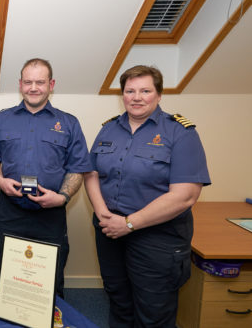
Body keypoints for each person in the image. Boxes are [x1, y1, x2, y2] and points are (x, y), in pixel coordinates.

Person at [84, 65, 210, 327]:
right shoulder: (109, 129)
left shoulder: (180, 133)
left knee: (154, 309)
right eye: (130, 91)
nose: (137, 97)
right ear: (123, 95)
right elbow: (91, 172)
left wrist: (129, 223)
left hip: (156, 237)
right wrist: (100, 211)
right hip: (110, 231)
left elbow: (185, 196)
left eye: (145, 90)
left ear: (159, 95)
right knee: (118, 299)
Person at [0, 58, 92, 297]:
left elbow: (78, 168)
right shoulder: (2, 119)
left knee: (49, 279)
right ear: (20, 84)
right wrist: (0, 181)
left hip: (50, 214)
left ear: (51, 84)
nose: (34, 88)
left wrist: (62, 197)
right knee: (7, 276)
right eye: (28, 82)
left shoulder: (68, 123)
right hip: (10, 212)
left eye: (40, 82)